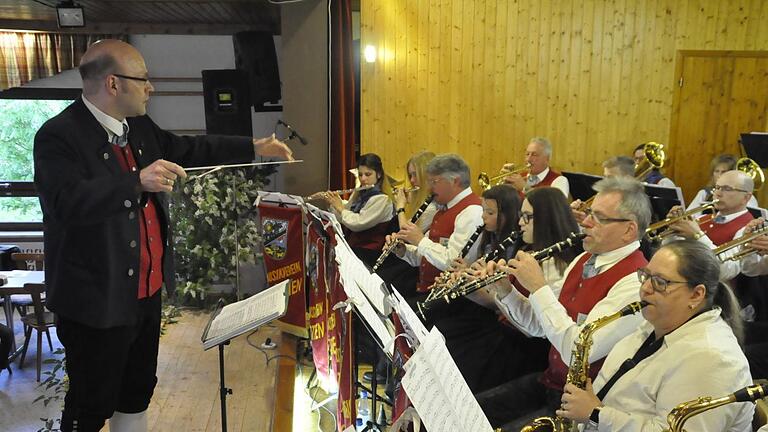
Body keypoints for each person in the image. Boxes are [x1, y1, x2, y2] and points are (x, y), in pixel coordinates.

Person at [33, 39, 293, 432]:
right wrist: (136, 180)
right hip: (95, 302)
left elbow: (187, 147)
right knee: (91, 402)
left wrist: (254, 145)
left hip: (145, 294)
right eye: (144, 80)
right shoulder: (58, 135)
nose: (151, 87)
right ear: (114, 83)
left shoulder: (137, 127)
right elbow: (64, 202)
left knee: (137, 391)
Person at [475, 177, 651, 431]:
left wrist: (538, 288)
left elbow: (577, 352)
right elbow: (540, 327)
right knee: (474, 408)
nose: (586, 222)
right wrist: (505, 290)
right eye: (589, 213)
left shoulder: (634, 283)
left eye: (599, 218)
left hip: (581, 408)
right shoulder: (583, 258)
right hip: (551, 381)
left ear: (629, 230)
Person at [558, 240, 753, 432]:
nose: (645, 289)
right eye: (646, 276)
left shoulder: (712, 358)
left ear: (696, 295)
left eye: (660, 282)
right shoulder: (655, 325)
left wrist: (595, 414)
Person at [664, 170, 754, 281]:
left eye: (727, 189)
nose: (718, 193)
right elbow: (669, 250)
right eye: (717, 187)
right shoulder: (703, 218)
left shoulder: (749, 228)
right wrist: (673, 230)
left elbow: (726, 271)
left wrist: (698, 236)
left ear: (746, 197)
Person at [319, 153, 395, 267]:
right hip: (355, 249)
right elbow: (344, 217)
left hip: (369, 254)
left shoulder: (382, 200)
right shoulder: (360, 193)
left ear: (378, 174)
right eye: (360, 174)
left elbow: (357, 223)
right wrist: (332, 203)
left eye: (368, 174)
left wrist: (339, 207)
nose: (363, 179)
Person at [687, 154, 758, 212]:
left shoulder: (744, 196)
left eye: (724, 172)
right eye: (716, 171)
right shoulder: (704, 193)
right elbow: (690, 216)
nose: (719, 175)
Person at [502, 137, 569, 198]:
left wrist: (525, 188)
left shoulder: (559, 180)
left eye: (534, 155)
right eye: (527, 154)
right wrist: (503, 188)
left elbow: (556, 204)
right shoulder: (520, 177)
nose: (528, 159)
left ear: (547, 159)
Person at [394, 151, 437, 233]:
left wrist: (400, 208)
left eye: (415, 175)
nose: (412, 180)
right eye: (410, 175)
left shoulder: (433, 207)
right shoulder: (424, 201)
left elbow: (406, 233)